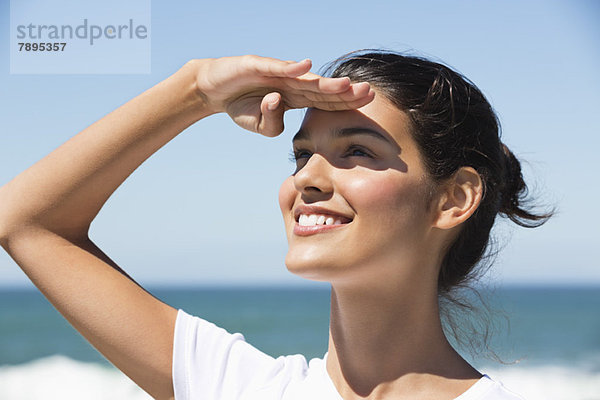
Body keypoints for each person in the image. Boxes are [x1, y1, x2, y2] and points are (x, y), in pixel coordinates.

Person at [0, 51, 551, 400]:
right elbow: (23, 221)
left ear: (453, 199)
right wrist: (194, 90)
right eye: (301, 154)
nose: (307, 179)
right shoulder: (239, 387)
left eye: (356, 151)